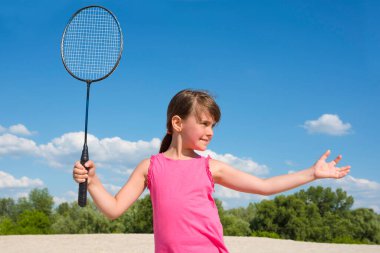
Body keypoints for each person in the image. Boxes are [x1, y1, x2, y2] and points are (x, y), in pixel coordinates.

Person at [73, 89, 351, 253]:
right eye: (204, 123)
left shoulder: (210, 167)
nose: (210, 132)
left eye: (213, 126)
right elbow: (113, 209)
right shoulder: (150, 167)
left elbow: (264, 186)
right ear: (178, 123)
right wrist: (94, 181)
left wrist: (312, 174)